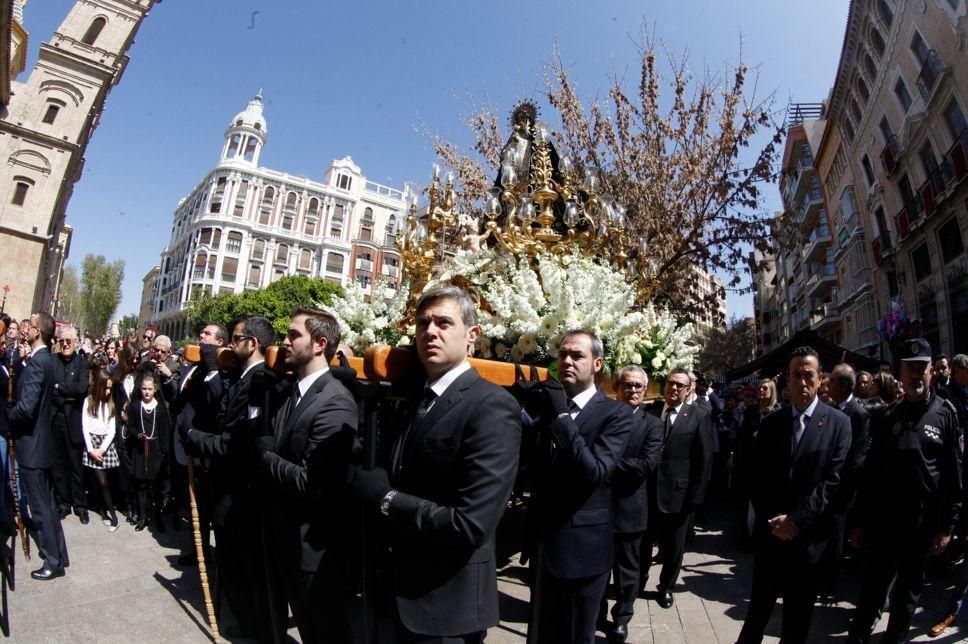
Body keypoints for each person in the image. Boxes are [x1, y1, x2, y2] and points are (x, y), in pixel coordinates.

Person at [351, 287, 523, 643]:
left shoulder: (491, 406)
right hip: (390, 596)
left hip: (445, 610)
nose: (430, 331)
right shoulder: (411, 397)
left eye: (444, 322)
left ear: (471, 335)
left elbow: (470, 523)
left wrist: (387, 500)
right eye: (422, 323)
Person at [847, 338, 963, 644]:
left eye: (921, 369)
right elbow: (870, 474)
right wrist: (859, 520)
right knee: (872, 592)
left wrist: (946, 527)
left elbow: (953, 477)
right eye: (910, 368)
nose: (915, 375)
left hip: (921, 526)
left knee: (906, 598)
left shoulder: (945, 414)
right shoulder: (888, 416)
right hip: (885, 523)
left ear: (930, 373)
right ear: (901, 371)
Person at [520, 328, 630, 644]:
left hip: (583, 553)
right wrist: (525, 415)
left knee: (575, 636)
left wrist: (561, 416)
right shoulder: (549, 406)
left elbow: (592, 472)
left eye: (577, 355)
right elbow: (527, 469)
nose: (567, 360)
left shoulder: (616, 414)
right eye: (563, 354)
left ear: (597, 364)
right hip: (543, 545)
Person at [736, 346, 851, 644]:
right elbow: (757, 478)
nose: (802, 381)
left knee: (796, 626)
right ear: (786, 380)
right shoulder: (772, 422)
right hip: (771, 539)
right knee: (754, 621)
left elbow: (832, 483)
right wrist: (773, 522)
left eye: (808, 375)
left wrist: (795, 522)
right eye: (795, 375)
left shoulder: (839, 424)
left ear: (820, 379)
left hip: (807, 544)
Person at [258, 307, 357, 643]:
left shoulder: (334, 402)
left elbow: (311, 483)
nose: (285, 342)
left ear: (320, 344)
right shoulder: (294, 392)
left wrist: (266, 457)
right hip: (286, 541)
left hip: (313, 552)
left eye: (293, 335)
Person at [183, 316, 274, 641]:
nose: (230, 346)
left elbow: (234, 441)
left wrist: (193, 436)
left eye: (235, 339)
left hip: (241, 491)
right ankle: (245, 619)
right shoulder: (241, 376)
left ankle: (252, 626)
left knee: (241, 564)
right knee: (233, 560)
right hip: (228, 487)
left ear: (252, 343)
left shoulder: (259, 381)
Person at [640, 368, 713, 610]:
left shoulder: (698, 416)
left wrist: (695, 498)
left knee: (673, 547)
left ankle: (666, 587)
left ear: (688, 389)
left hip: (678, 495)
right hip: (647, 492)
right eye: (670, 382)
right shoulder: (649, 411)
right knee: (643, 541)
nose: (674, 388)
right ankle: (637, 582)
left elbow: (704, 461)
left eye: (680, 385)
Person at [600, 365, 663, 643]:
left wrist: (605, 465)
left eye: (638, 386)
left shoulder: (653, 425)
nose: (633, 390)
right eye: (628, 384)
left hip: (630, 509)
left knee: (627, 572)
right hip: (599, 509)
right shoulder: (602, 417)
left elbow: (645, 466)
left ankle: (622, 617)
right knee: (598, 569)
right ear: (617, 387)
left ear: (645, 390)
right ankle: (596, 612)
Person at [8, 311, 70, 580]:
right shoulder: (44, 360)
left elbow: (26, 408)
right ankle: (60, 555)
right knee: (47, 504)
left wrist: (7, 415)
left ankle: (52, 561)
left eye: (29, 325)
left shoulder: (38, 363)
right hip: (41, 444)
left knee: (41, 508)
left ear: (39, 332)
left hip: (32, 447)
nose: (25, 329)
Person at [170, 323, 227, 565]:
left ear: (220, 343)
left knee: (206, 506)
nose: (200, 337)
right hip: (184, 444)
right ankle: (198, 550)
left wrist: (213, 365)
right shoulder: (193, 367)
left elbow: (218, 399)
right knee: (193, 506)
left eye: (207, 334)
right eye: (201, 333)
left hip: (205, 449)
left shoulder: (223, 370)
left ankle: (213, 556)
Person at [817, 363, 870, 601]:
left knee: (836, 539)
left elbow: (856, 457)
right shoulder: (829, 409)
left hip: (842, 489)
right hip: (825, 486)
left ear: (845, 386)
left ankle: (828, 583)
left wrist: (839, 482)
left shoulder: (858, 414)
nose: (828, 385)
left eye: (834, 381)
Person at [50, 325, 90, 523]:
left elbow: (82, 388)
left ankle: (80, 505)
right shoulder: (52, 362)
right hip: (55, 420)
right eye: (62, 341)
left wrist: (60, 388)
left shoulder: (82, 363)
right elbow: (50, 390)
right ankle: (63, 503)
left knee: (75, 467)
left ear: (75, 342)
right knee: (58, 465)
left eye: (68, 341)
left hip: (73, 423)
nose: (65, 344)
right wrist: (66, 392)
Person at [122, 372, 170, 532]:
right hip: (140, 450)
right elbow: (131, 426)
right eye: (144, 389)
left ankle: (158, 518)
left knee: (156, 488)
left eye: (150, 389)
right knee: (141, 486)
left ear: (155, 389)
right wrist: (137, 435)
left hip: (155, 451)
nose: (147, 392)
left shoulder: (160, 409)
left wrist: (164, 452)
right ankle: (143, 517)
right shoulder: (136, 406)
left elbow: (164, 432)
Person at [81, 367, 120, 531]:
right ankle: (109, 514)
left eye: (110, 388)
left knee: (105, 482)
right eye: (106, 388)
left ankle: (108, 513)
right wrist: (91, 449)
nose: (108, 391)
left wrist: (102, 449)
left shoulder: (110, 404)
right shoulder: (88, 402)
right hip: (92, 444)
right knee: (100, 482)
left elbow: (112, 429)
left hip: (105, 445)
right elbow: (84, 426)